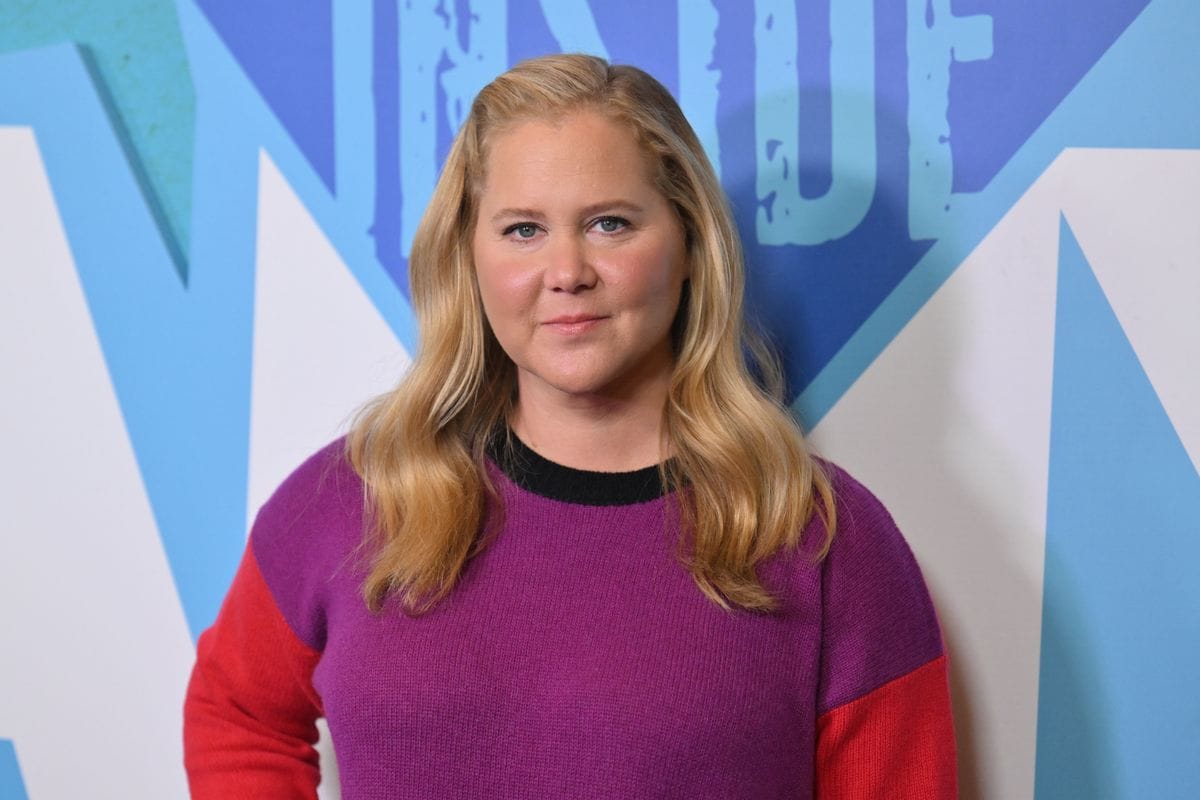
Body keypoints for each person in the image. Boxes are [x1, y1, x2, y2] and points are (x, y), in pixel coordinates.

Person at [184, 54, 957, 799]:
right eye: (523, 229)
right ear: (469, 256)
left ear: (689, 246)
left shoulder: (823, 536)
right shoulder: (354, 497)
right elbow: (237, 714)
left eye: (610, 224)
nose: (567, 272)